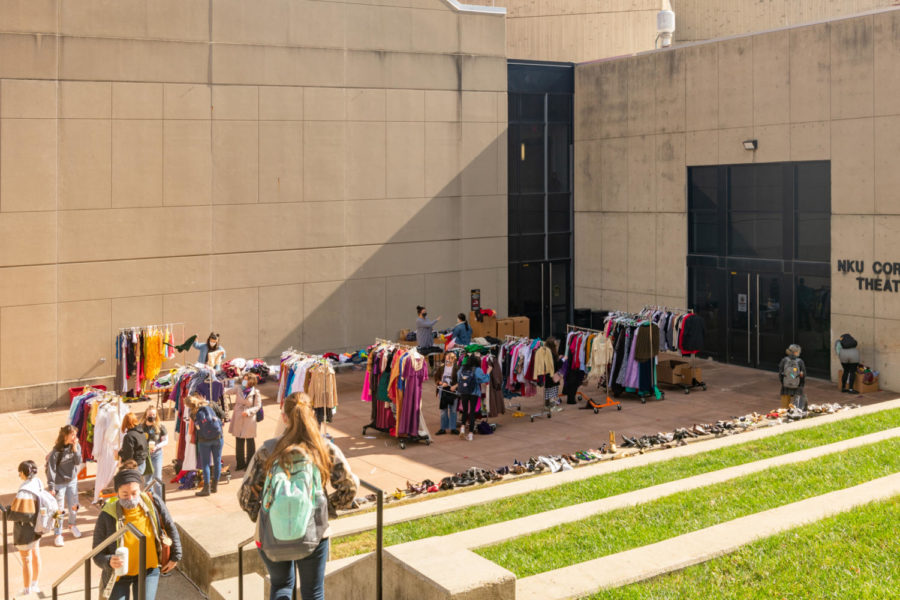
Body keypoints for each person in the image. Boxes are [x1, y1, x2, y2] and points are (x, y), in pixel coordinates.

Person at [239, 392, 358, 600]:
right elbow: (349, 487)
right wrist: (326, 509)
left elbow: (245, 496)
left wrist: (263, 514)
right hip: (314, 532)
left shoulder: (267, 450)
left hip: (270, 533)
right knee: (313, 592)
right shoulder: (324, 449)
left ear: (284, 417)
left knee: (281, 585)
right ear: (311, 415)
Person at [93, 465, 182, 600]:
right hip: (118, 575)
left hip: (149, 571)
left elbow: (170, 526)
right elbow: (97, 552)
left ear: (140, 489)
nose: (130, 498)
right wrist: (109, 561)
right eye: (125, 494)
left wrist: (176, 555)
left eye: (134, 493)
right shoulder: (107, 514)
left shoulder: (153, 502)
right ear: (117, 492)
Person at [10, 460, 44, 597]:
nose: (20, 476)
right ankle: (35, 584)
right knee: (36, 553)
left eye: (20, 473)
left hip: (26, 531)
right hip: (38, 526)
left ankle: (26, 589)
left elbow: (22, 514)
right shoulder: (38, 482)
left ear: (23, 473)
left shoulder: (24, 490)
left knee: (26, 559)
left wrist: (7, 512)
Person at [46, 425, 83, 547]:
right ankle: (58, 534)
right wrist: (51, 487)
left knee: (74, 505)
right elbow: (51, 470)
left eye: (75, 434)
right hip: (59, 483)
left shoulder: (76, 446)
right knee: (59, 510)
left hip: (72, 480)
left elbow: (78, 462)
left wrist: (75, 449)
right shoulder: (56, 452)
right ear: (65, 436)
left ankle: (72, 525)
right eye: (72, 435)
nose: (75, 437)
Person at [190, 394, 226, 496]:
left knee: (205, 464)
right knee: (217, 461)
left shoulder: (193, 412)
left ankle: (206, 488)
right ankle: (215, 486)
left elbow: (197, 425)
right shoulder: (212, 404)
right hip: (218, 437)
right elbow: (223, 415)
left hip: (204, 440)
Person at [227, 373, 263, 471]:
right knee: (239, 440)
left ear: (251, 381)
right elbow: (228, 391)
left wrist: (248, 412)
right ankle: (240, 464)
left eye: (246, 379)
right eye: (244, 379)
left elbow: (257, 406)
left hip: (249, 418)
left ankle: (250, 465)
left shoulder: (256, 392)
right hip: (238, 416)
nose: (244, 381)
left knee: (250, 441)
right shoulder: (239, 388)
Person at [456, 355, 491, 441]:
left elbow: (458, 377)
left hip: (463, 392)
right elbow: (484, 379)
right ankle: (471, 434)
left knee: (464, 411)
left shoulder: (462, 368)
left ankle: (463, 428)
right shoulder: (477, 370)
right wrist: (488, 372)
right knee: (472, 412)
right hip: (474, 393)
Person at [138, 407, 169, 497]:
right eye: (150, 415)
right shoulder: (141, 427)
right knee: (147, 481)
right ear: (146, 415)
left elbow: (166, 441)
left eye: (153, 415)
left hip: (156, 455)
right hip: (145, 456)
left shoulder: (160, 427)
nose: (152, 417)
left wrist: (157, 446)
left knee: (157, 479)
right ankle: (149, 501)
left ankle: (159, 501)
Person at [434, 353, 460, 435]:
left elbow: (461, 380)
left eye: (448, 359)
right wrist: (441, 383)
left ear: (453, 359)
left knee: (453, 410)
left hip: (453, 391)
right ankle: (443, 428)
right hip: (443, 391)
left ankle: (453, 428)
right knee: (443, 410)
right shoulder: (441, 368)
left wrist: (455, 386)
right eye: (446, 359)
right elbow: (436, 378)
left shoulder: (457, 368)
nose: (446, 360)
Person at [778, 344, 806, 409]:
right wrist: (801, 385)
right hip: (797, 386)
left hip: (785, 387)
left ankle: (784, 414)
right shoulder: (800, 362)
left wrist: (784, 382)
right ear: (796, 352)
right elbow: (803, 375)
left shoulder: (784, 360)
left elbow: (780, 374)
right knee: (797, 405)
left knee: (784, 407)